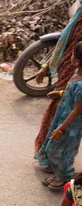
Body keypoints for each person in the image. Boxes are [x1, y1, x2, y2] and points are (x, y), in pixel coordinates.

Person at [35, 4, 82, 160]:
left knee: (67, 123)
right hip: (66, 81)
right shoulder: (77, 19)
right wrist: (46, 67)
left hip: (71, 83)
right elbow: (63, 43)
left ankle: (60, 168)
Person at [38, 43, 82, 190]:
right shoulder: (76, 73)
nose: (69, 56)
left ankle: (65, 177)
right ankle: (59, 173)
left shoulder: (81, 85)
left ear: (76, 61)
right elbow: (73, 96)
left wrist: (62, 129)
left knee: (64, 150)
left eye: (72, 54)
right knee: (56, 147)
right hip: (63, 117)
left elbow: (77, 110)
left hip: (71, 125)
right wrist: (61, 94)